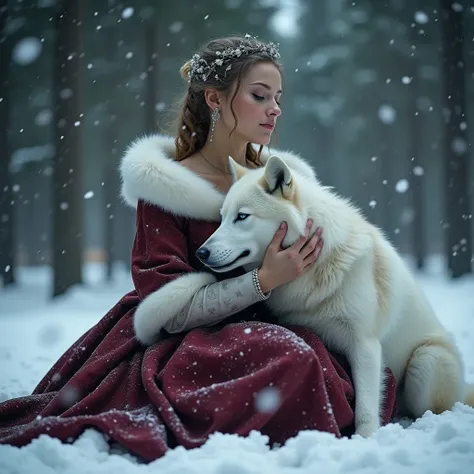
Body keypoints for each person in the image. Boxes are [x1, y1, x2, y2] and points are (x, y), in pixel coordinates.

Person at [0, 35, 397, 461]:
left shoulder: (282, 185)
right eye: (260, 95)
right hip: (188, 338)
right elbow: (166, 307)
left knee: (351, 373)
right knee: (291, 360)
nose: (275, 108)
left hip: (278, 325)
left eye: (278, 97)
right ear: (214, 98)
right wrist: (263, 280)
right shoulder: (167, 188)